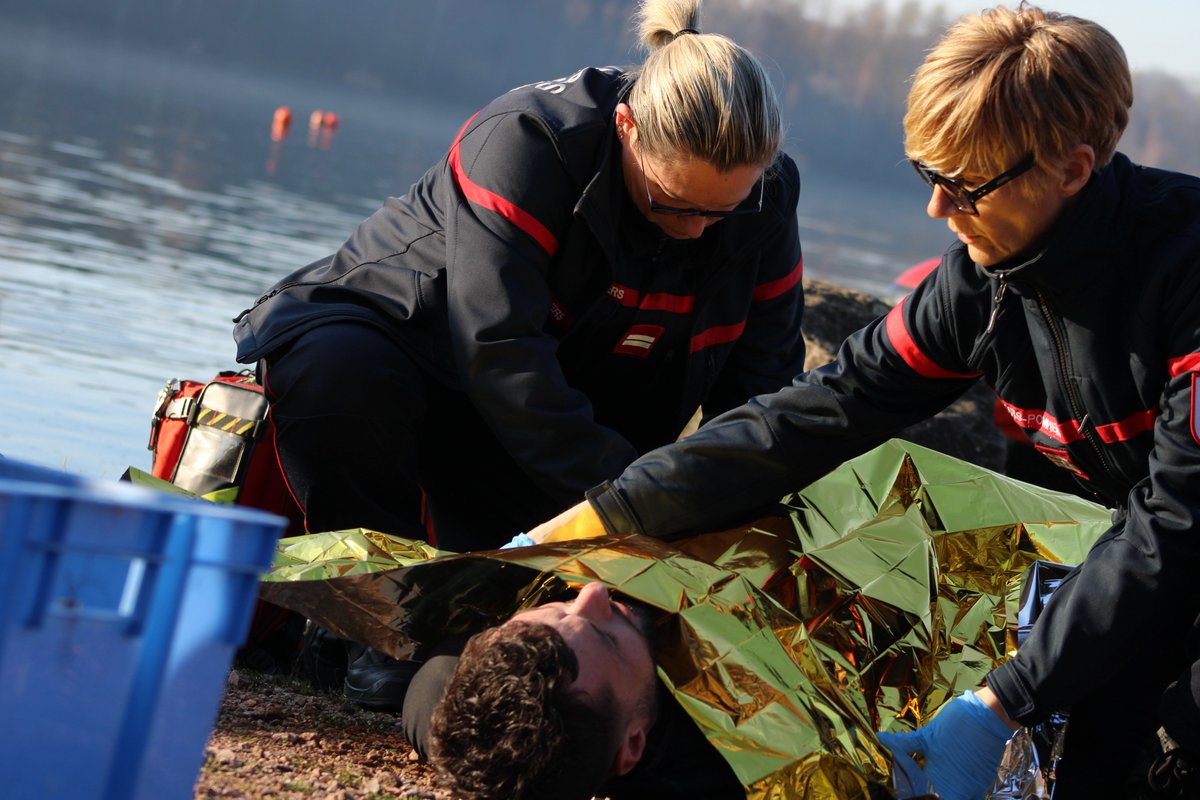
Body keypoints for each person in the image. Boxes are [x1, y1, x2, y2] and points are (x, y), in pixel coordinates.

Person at [525, 5, 1200, 798]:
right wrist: (612, 509)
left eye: (964, 185)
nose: (938, 212)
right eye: (928, 177)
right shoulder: (981, 284)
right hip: (1122, 581)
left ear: (1072, 169)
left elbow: (1177, 522)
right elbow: (824, 409)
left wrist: (1000, 704)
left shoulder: (1182, 270)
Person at [232, 0, 805, 707]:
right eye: (671, 202)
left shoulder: (768, 199)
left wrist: (718, 517)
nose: (695, 231)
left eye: (722, 212)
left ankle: (425, 624)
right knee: (336, 375)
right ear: (626, 128)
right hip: (419, 356)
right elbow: (500, 349)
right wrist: (637, 500)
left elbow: (763, 389)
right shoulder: (528, 140)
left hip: (566, 402)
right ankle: (369, 629)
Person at [404, 581, 747, 800]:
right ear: (632, 744)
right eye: (608, 637)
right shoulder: (724, 758)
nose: (593, 591)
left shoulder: (438, 690)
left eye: (557, 607)